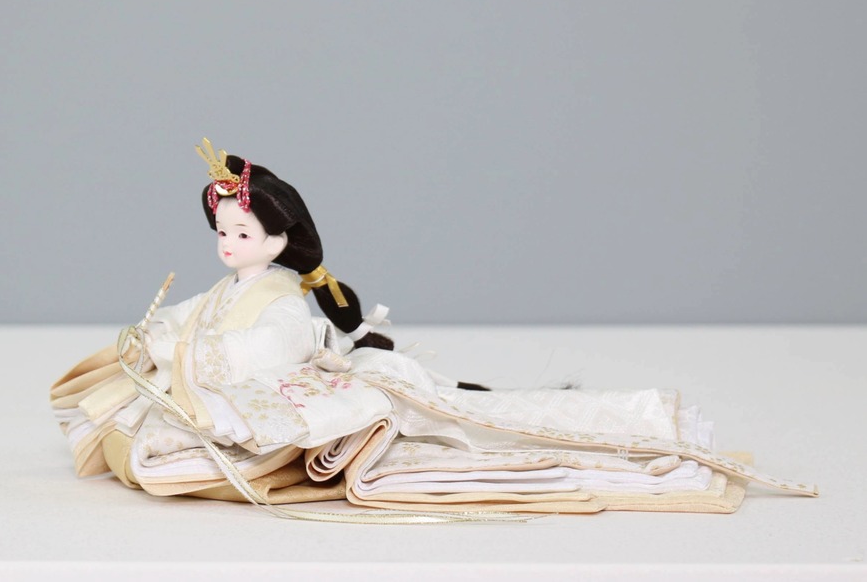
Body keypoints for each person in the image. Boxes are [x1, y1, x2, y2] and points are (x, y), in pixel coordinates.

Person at [51, 140, 817, 517]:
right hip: (216, 389)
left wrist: (186, 353)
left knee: (459, 425)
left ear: (280, 239)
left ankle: (646, 437)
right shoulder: (233, 287)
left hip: (256, 399)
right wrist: (158, 333)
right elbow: (194, 316)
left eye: (242, 233)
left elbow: (262, 356)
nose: (228, 244)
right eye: (224, 231)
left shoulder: (281, 301)